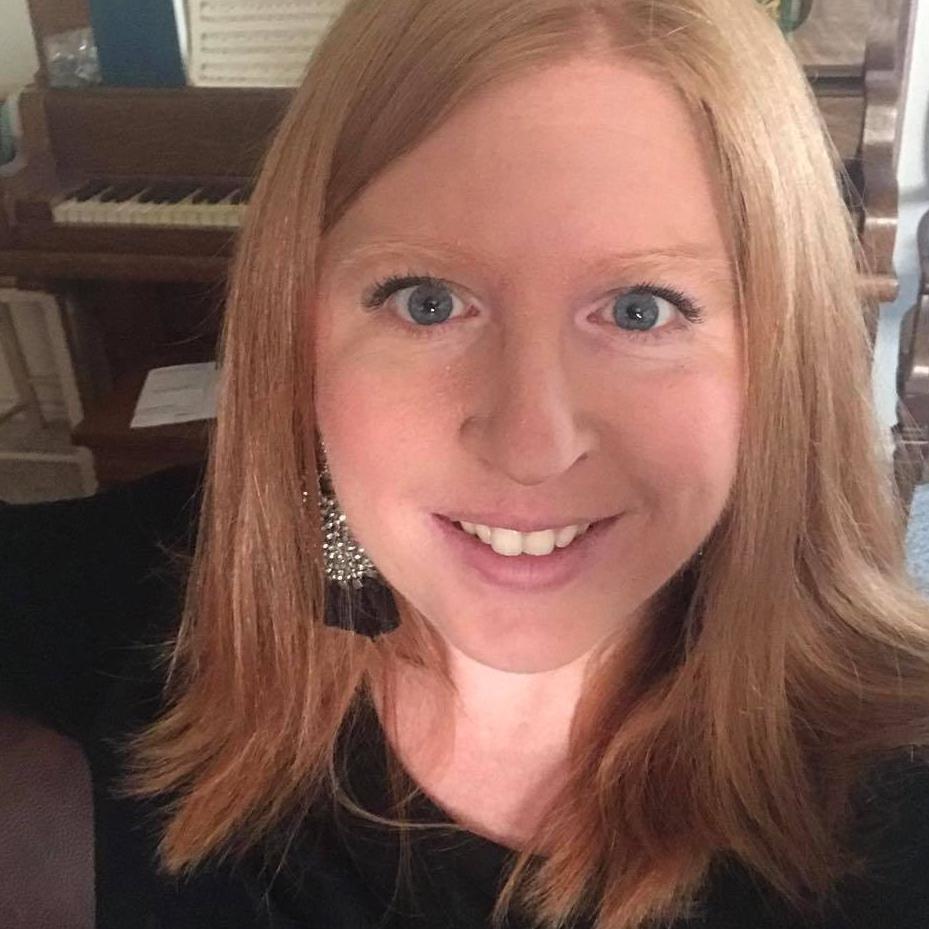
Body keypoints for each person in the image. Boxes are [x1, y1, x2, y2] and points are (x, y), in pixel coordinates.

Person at [2, 0, 929, 926]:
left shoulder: (897, 805)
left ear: (778, 357)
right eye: (427, 301)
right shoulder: (145, 602)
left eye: (640, 309)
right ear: (299, 324)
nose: (531, 446)